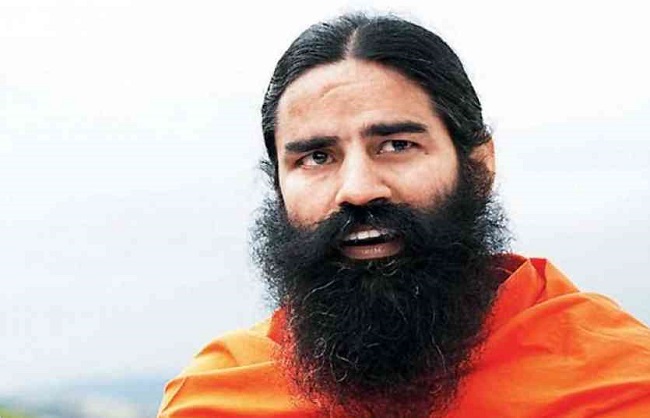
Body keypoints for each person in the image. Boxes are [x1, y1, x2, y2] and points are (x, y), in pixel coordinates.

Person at [157, 13, 650, 418]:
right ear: (278, 186)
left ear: (479, 167)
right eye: (317, 157)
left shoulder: (614, 380)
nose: (357, 190)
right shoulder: (216, 398)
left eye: (396, 145)